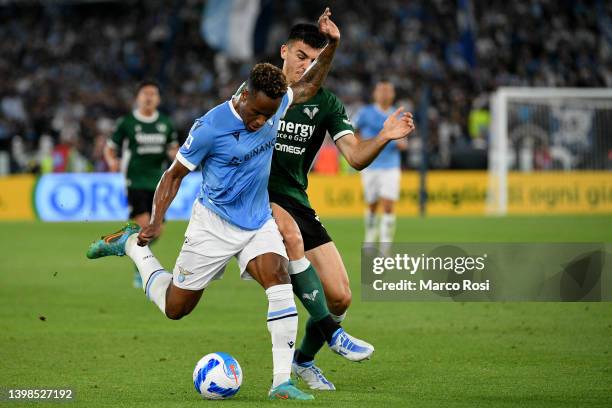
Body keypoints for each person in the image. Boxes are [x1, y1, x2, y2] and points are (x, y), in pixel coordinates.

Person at [87, 9, 373, 401]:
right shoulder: (209, 128)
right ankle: (131, 247)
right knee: (176, 307)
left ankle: (281, 382)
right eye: (255, 114)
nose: (261, 123)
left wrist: (332, 47)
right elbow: (172, 176)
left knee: (278, 279)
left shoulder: (277, 102)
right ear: (242, 97)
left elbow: (307, 83)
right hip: (213, 224)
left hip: (257, 220)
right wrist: (155, 221)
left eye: (268, 116)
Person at [261, 24, 415, 390]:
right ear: (283, 51)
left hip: (295, 199)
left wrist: (383, 137)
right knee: (287, 241)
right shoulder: (260, 91)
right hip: (255, 197)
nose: (307, 66)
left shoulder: (327, 104)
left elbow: (355, 157)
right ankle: (332, 338)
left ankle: (304, 360)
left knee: (341, 296)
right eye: (301, 57)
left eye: (315, 61)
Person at [104, 80, 178, 288]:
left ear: (158, 99)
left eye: (153, 94)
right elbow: (110, 148)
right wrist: (111, 161)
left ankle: (129, 248)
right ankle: (141, 268)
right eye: (145, 93)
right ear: (138, 98)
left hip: (159, 182)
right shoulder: (127, 123)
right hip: (135, 181)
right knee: (146, 225)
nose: (148, 97)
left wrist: (175, 154)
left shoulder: (166, 123)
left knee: (157, 230)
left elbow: (173, 148)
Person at [354, 80, 407, 252]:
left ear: (393, 94)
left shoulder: (397, 114)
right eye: (381, 90)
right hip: (370, 165)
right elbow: (352, 131)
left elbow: (404, 141)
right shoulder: (365, 113)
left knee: (388, 204)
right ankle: (370, 235)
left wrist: (401, 142)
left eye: (388, 90)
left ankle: (385, 244)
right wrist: (361, 147)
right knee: (372, 203)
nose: (385, 94)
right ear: (375, 93)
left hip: (391, 165)